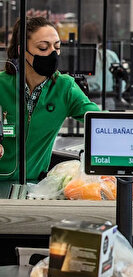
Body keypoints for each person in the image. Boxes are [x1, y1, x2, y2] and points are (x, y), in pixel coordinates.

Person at [0, 17, 100, 181]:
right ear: (21, 50)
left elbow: (100, 121)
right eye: (43, 47)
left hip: (33, 187)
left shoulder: (64, 88)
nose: (52, 53)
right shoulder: (1, 84)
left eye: (57, 47)